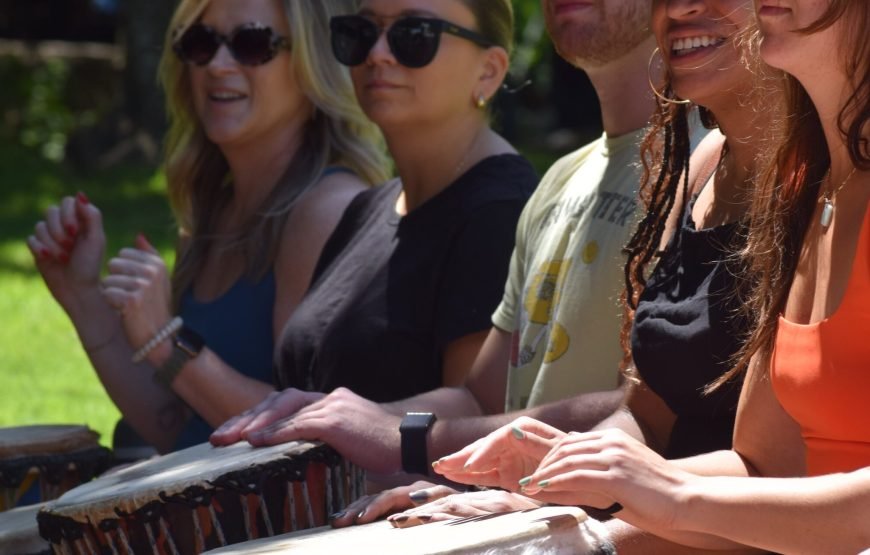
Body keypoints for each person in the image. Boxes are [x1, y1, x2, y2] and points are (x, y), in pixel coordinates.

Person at [434, 0, 870, 553]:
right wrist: (555, 487)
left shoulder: (804, 184)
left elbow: (775, 483)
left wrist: (613, 523)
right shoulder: (815, 184)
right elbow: (756, 463)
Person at [212, 0, 658, 477]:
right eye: (361, 32)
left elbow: (653, 412)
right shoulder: (559, 181)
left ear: (490, 72)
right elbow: (480, 397)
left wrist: (167, 348)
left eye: (415, 34)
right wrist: (347, 416)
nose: (378, 55)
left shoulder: (705, 168)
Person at [26, 0, 390, 454]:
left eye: (252, 44)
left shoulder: (326, 211)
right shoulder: (211, 209)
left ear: (310, 64)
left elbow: (308, 433)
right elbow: (179, 424)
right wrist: (81, 296)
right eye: (200, 43)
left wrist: (168, 343)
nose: (218, 65)